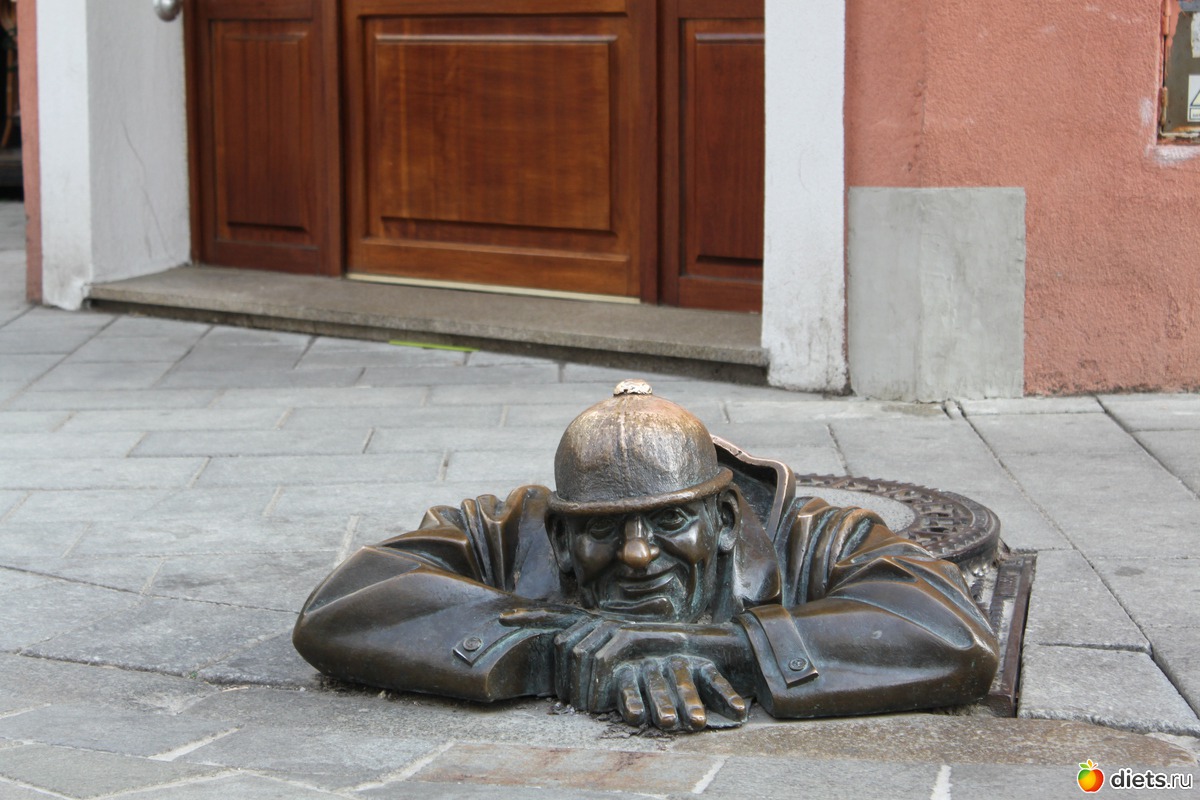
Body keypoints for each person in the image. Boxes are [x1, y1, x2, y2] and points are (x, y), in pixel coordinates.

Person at [293, 380, 998, 731]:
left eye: (670, 522)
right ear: (560, 535)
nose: (636, 554)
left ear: (726, 519)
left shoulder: (815, 538)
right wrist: (551, 645)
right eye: (602, 530)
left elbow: (953, 633)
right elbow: (343, 603)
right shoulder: (512, 530)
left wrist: (721, 649)